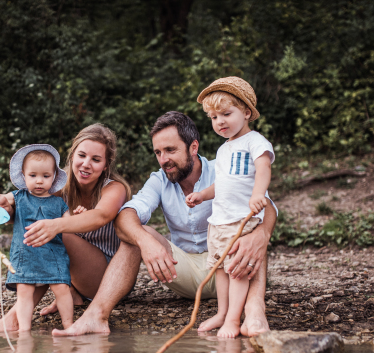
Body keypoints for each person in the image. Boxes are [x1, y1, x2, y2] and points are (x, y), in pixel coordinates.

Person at [53, 111, 276, 337]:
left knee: (253, 231)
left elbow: (266, 203)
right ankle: (95, 317)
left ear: (193, 147)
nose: (163, 159)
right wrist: (145, 243)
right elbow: (126, 216)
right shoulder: (159, 180)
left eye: (170, 150)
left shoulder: (223, 168)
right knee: (138, 233)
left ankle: (255, 309)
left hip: (232, 266)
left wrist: (263, 234)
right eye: (158, 152)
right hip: (184, 270)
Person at [0, 124, 132, 332]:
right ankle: (25, 310)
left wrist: (56, 225)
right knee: (45, 234)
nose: (86, 164)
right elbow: (30, 211)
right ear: (72, 156)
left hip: (108, 279)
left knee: (56, 235)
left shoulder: (114, 188)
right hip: (74, 277)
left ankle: (14, 317)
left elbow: (101, 216)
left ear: (105, 165)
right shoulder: (57, 185)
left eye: (95, 160)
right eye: (82, 155)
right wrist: (8, 209)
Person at [185, 77, 274, 338]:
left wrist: (258, 194)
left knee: (236, 272)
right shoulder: (224, 150)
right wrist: (202, 194)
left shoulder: (254, 141)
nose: (220, 122)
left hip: (240, 221)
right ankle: (223, 312)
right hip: (219, 222)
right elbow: (222, 184)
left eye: (226, 114)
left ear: (246, 113)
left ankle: (234, 320)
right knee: (221, 270)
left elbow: (263, 168)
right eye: (213, 117)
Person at [0, 144, 74, 331]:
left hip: (53, 256)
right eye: (33, 176)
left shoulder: (58, 203)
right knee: (24, 293)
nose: (39, 181)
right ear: (23, 175)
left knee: (62, 289)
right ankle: (23, 330)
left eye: (45, 176)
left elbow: (71, 224)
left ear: (54, 177)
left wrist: (79, 215)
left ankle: (68, 325)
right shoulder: (19, 197)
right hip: (25, 256)